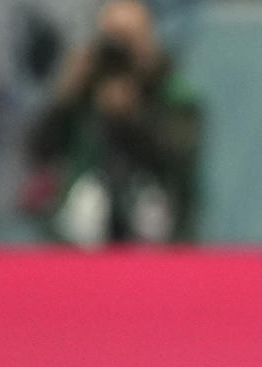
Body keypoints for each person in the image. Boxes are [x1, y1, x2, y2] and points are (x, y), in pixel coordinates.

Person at [25, 0, 200, 246]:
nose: (120, 53)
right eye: (112, 39)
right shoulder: (85, 92)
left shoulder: (172, 96)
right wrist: (65, 95)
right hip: (83, 228)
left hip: (156, 226)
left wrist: (131, 115)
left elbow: (179, 159)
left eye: (128, 40)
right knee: (87, 205)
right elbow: (39, 151)